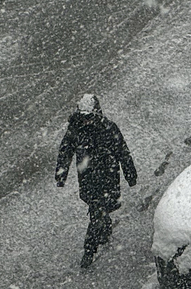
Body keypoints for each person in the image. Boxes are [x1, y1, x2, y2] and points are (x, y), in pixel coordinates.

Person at [55, 94, 138, 268]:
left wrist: (130, 174)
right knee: (97, 210)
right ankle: (92, 245)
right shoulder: (84, 129)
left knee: (99, 209)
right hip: (95, 178)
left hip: (102, 177)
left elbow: (122, 151)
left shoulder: (101, 128)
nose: (87, 121)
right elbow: (66, 152)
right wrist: (61, 174)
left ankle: (95, 240)